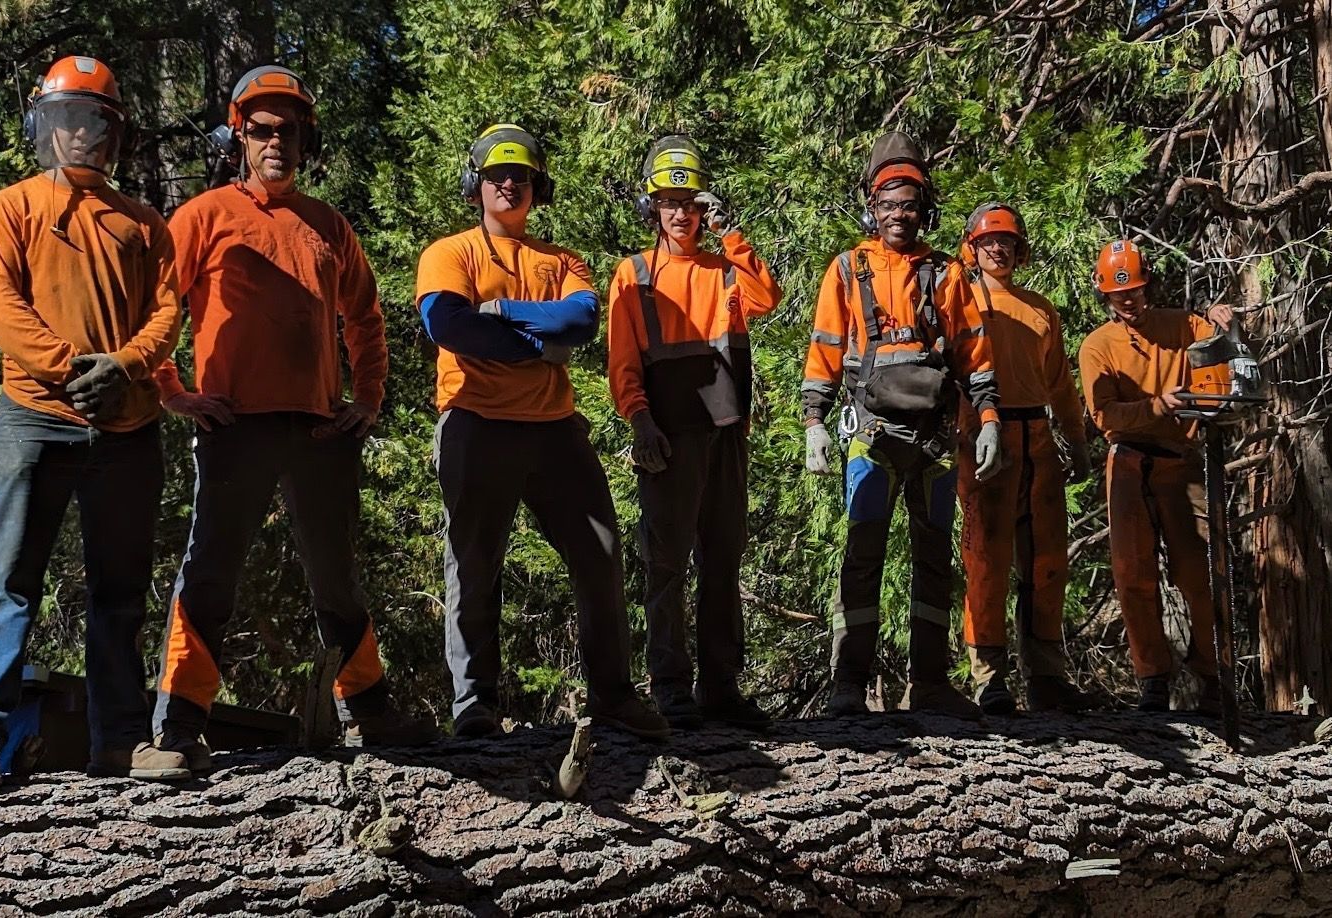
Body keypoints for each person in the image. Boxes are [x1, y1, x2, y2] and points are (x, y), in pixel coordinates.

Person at [152, 65, 434, 771]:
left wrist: (367, 398)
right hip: (232, 426)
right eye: (262, 130)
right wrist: (171, 390)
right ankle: (180, 727)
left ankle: (367, 712)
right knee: (210, 571)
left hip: (317, 429)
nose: (276, 142)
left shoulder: (327, 225)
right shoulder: (203, 215)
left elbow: (366, 318)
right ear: (239, 135)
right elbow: (155, 309)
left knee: (336, 576)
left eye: (290, 131)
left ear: (307, 140)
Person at [0, 55, 186, 789]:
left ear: (115, 132)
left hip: (129, 428)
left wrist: (126, 368)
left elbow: (168, 311)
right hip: (32, 421)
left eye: (96, 120)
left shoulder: (145, 223)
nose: (82, 133)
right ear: (45, 127)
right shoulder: (9, 210)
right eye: (68, 118)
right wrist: (69, 369)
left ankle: (119, 740)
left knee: (120, 590)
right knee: (6, 580)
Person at [416, 124, 669, 739]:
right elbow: (449, 327)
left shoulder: (561, 260)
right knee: (474, 563)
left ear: (537, 187)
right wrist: (538, 346)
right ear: (474, 185)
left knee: (601, 553)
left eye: (521, 176)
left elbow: (581, 320)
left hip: (555, 429)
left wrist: (501, 314)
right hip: (474, 419)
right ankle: (474, 704)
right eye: (498, 175)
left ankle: (612, 695)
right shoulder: (449, 253)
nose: (509, 184)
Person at [802, 132, 1002, 721]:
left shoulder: (947, 273)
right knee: (862, 554)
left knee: (934, 555)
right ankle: (848, 684)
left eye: (909, 203)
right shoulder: (847, 269)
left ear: (925, 208)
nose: (899, 215)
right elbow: (825, 349)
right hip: (872, 434)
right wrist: (814, 419)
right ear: (871, 206)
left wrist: (988, 417)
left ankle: (931, 682)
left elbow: (974, 352)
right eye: (888, 203)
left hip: (936, 437)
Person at [607, 136, 783, 729]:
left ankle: (720, 687)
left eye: (692, 201)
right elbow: (623, 363)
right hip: (668, 436)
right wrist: (639, 420)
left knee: (722, 560)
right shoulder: (633, 275)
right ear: (651, 208)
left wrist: (733, 235)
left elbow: (768, 295)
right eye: (669, 201)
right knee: (666, 565)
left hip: (725, 434)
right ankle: (670, 687)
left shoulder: (725, 272)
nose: (682, 213)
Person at [1078, 240, 1235, 712]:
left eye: (1137, 290)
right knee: (1133, 574)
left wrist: (1223, 318)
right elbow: (1105, 416)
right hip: (1128, 461)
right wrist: (1157, 405)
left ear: (1148, 286)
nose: (1130, 300)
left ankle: (1212, 675)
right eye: (1120, 293)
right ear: (1106, 296)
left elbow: (1219, 342)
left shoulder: (1182, 326)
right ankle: (1153, 679)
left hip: (1180, 458)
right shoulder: (1097, 347)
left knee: (1200, 570)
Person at [956, 203, 1095, 715]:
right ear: (972, 248)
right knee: (986, 559)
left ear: (1020, 249)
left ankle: (1047, 674)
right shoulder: (961, 299)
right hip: (981, 436)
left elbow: (1060, 381)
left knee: (1046, 560)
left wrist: (1075, 440)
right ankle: (988, 675)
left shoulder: (1040, 308)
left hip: (1037, 434)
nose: (999, 249)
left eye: (1008, 242)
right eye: (990, 241)